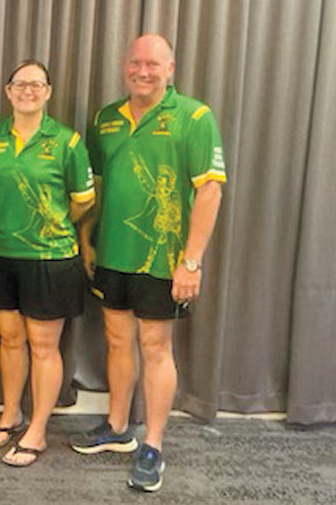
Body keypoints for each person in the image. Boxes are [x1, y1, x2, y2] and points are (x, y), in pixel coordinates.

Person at [71, 34, 226, 492]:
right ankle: (118, 427)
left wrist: (191, 262)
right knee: (117, 339)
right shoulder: (106, 118)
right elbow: (94, 184)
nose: (143, 71)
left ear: (170, 68)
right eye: (135, 62)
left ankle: (152, 445)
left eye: (153, 64)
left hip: (164, 259)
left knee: (155, 346)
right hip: (112, 253)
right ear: (125, 66)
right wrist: (87, 237)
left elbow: (211, 191)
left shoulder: (195, 117)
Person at [0, 60, 95, 468]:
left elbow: (82, 201)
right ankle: (11, 412)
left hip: (50, 256)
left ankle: (38, 430)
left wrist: (49, 225)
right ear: (7, 92)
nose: (28, 91)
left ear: (49, 92)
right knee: (9, 339)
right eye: (20, 84)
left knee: (44, 346)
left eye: (36, 84)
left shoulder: (68, 141)